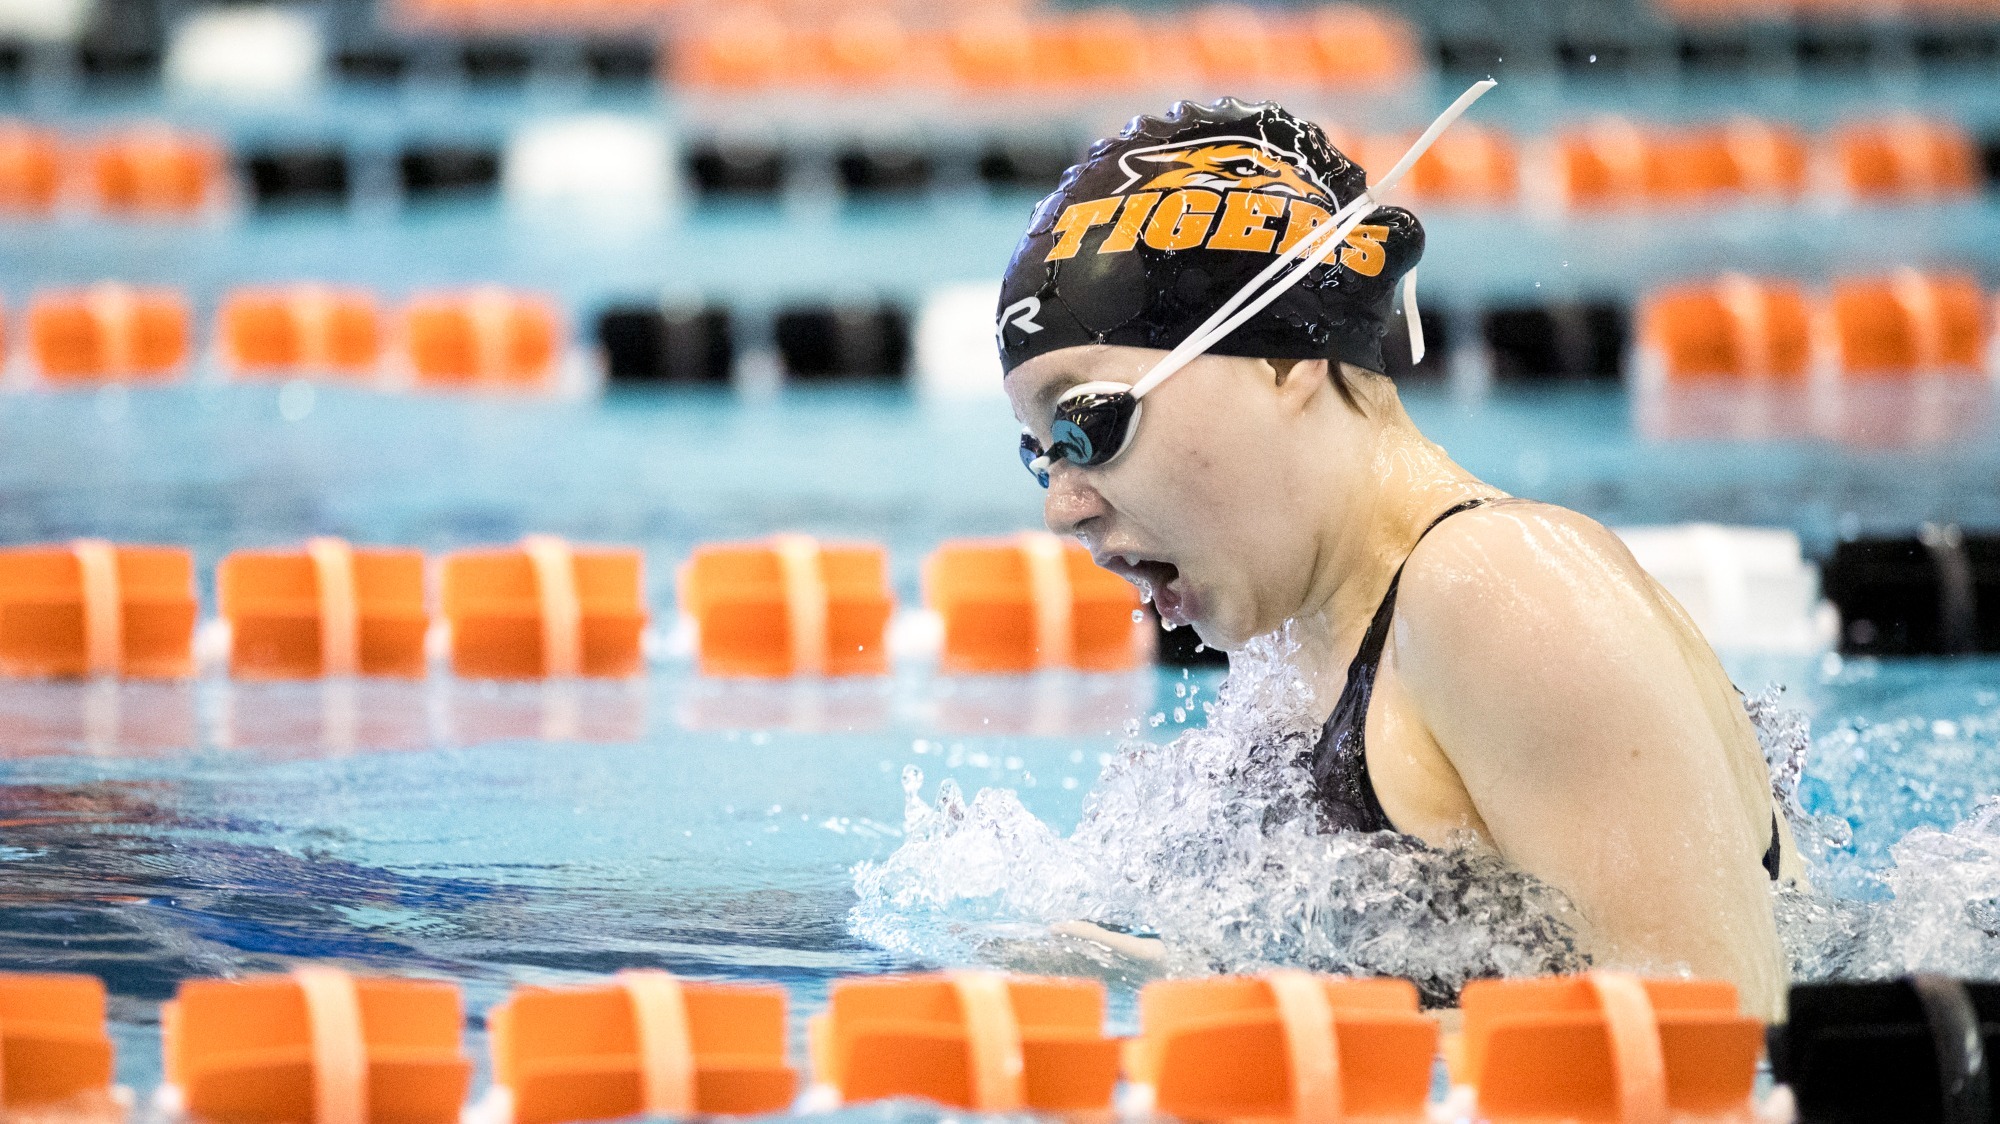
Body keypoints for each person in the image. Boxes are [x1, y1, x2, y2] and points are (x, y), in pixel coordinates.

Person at [995, 98, 1798, 1019]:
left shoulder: (1500, 588)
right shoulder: (1307, 631)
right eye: (1038, 452)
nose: (1063, 506)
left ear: (1284, 361)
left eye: (1088, 425)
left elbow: (1718, 1051)